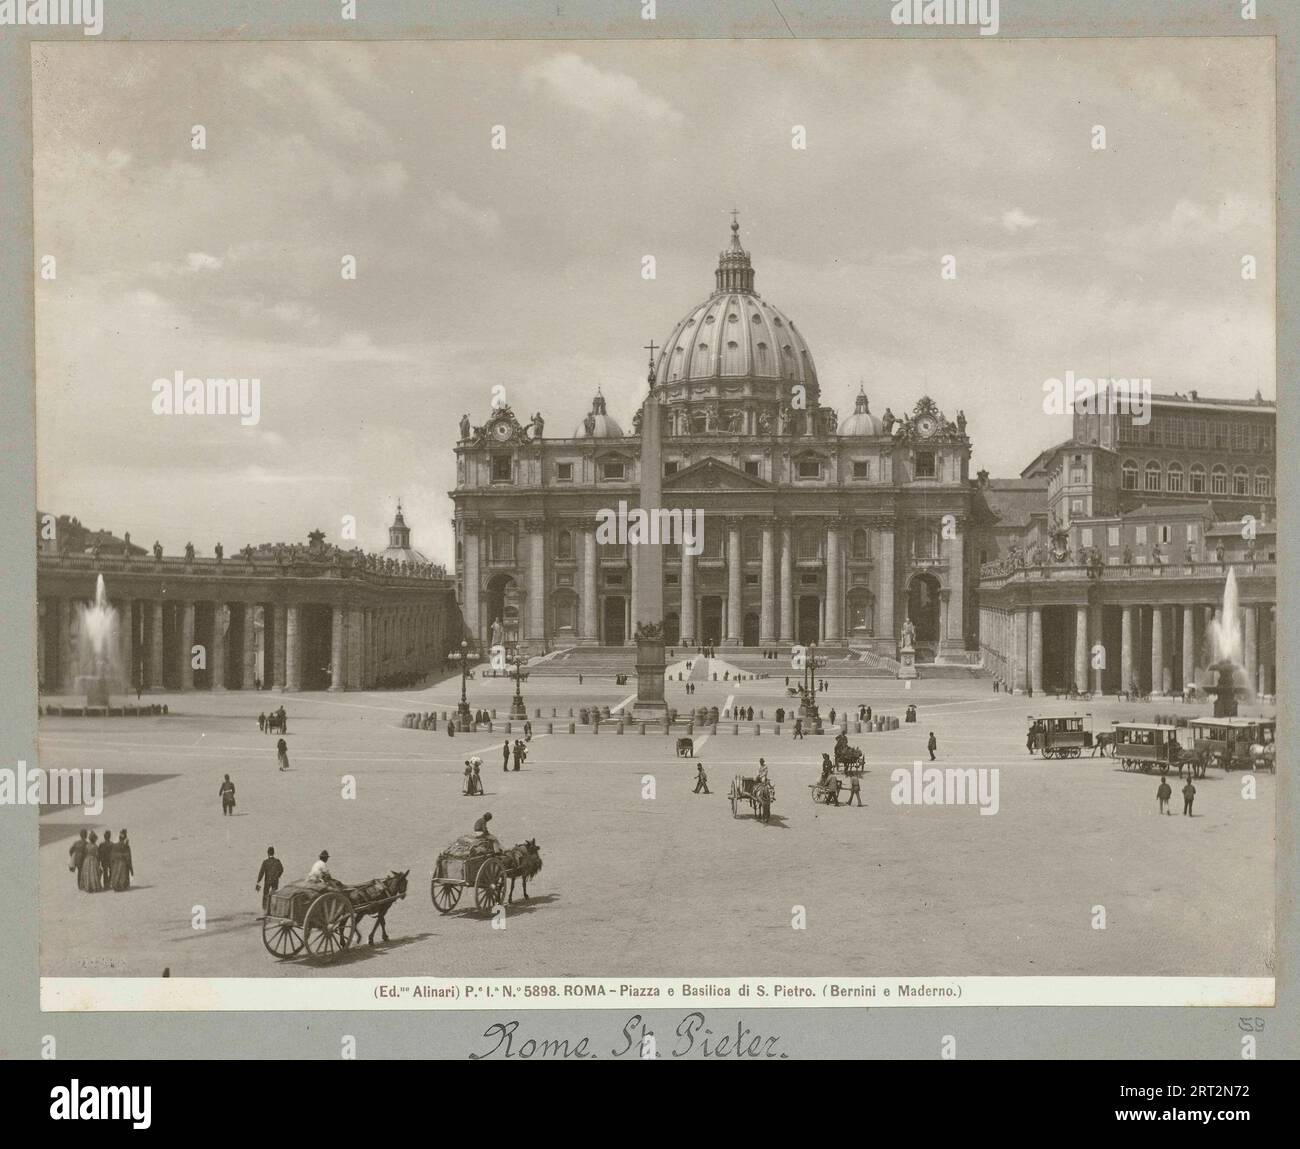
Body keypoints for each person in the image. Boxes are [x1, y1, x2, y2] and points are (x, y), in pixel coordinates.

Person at [255, 846, 284, 913]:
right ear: (274, 853)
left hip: (267, 881)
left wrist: (258, 881)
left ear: (268, 853)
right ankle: (274, 910)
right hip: (275, 881)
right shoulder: (277, 861)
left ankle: (265, 910)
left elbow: (261, 872)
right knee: (274, 895)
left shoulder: (265, 862)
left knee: (265, 895)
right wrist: (278, 876)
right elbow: (282, 869)